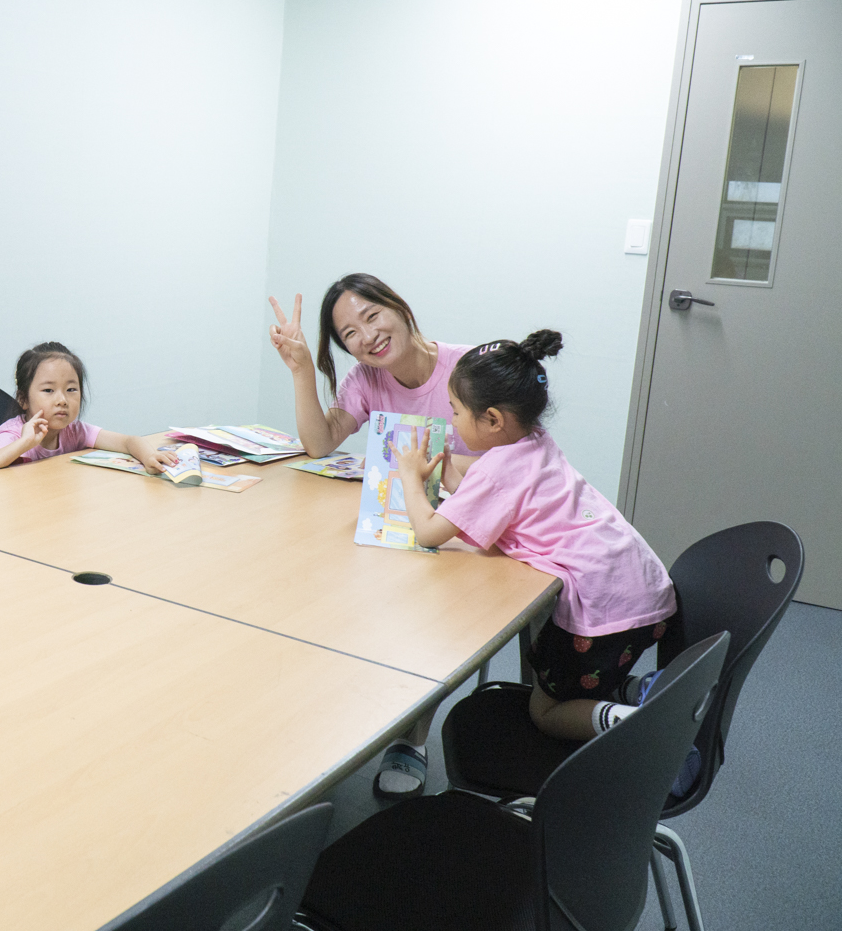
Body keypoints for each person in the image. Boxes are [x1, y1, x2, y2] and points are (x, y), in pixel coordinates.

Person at [394, 331, 677, 743]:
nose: (452, 421)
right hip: (641, 587)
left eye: (455, 412)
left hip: (603, 612)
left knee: (545, 711)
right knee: (584, 678)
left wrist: (408, 478)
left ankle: (646, 728)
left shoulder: (496, 472)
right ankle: (643, 689)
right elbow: (490, 496)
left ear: (493, 419)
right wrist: (449, 474)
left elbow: (428, 532)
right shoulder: (535, 442)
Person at [268, 273, 478, 798]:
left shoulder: (469, 369)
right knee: (325, 581)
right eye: (349, 334)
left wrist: (436, 471)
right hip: (401, 522)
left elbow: (513, 460)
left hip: (471, 530)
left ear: (398, 307)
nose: (367, 336)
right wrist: (301, 370)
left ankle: (411, 738)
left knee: (426, 607)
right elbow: (321, 444)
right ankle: (337, 713)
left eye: (371, 316)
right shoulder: (365, 379)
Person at [0, 341, 177, 478]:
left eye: (71, 389)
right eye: (48, 390)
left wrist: (149, 456)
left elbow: (128, 441)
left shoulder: (74, 431)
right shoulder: (14, 434)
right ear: (23, 399)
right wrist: (24, 443)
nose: (62, 400)